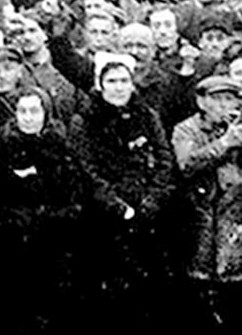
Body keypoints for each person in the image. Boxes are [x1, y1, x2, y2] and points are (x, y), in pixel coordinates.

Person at [70, 59, 178, 328]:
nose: (118, 88)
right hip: (107, 215)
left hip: (147, 210)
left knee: (151, 285)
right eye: (111, 81)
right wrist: (118, 207)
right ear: (100, 84)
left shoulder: (147, 115)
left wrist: (152, 199)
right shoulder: (84, 120)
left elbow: (164, 159)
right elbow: (87, 170)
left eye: (124, 81)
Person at [172, 75, 242, 328]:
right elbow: (187, 163)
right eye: (216, 99)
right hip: (204, 223)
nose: (224, 105)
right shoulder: (187, 129)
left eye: (230, 99)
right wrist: (224, 143)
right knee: (202, 296)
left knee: (241, 297)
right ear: (201, 101)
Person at [0, 87, 89, 333]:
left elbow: (74, 201)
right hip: (11, 243)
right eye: (22, 111)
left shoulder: (62, 150)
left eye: (34, 111)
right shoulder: (0, 149)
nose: (28, 117)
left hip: (54, 243)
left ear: (46, 113)